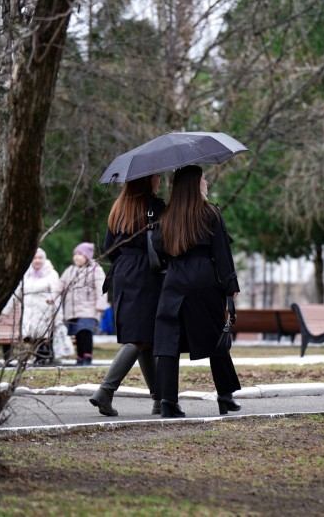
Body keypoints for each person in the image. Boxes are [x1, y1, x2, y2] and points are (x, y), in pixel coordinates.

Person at [152, 165, 241, 418]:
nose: (207, 182)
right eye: (204, 179)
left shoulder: (167, 215)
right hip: (204, 280)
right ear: (194, 184)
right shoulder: (210, 212)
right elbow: (222, 252)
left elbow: (158, 247)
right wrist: (230, 284)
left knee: (168, 340)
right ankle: (225, 396)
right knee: (215, 336)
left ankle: (168, 401)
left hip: (175, 279)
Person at [89, 175, 165, 416]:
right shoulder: (155, 206)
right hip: (146, 273)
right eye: (157, 178)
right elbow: (164, 242)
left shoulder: (118, 208)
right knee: (139, 337)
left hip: (122, 271)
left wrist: (125, 261)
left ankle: (159, 399)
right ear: (146, 182)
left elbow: (108, 247)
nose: (160, 182)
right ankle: (106, 390)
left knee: (146, 338)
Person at [58, 242, 108, 366]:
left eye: (80, 254)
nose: (76, 257)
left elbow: (101, 288)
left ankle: (87, 356)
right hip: (73, 309)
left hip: (89, 308)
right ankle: (80, 356)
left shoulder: (95, 270)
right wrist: (52, 297)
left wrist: (101, 305)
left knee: (84, 331)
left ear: (87, 256)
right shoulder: (70, 271)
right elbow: (60, 285)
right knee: (77, 334)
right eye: (75, 254)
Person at [18, 248, 60, 366]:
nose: (37, 260)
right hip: (28, 309)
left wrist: (54, 304)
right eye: (35, 258)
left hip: (44, 308)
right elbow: (18, 291)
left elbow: (56, 292)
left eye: (40, 258)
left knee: (42, 335)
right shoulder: (26, 273)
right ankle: (40, 356)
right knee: (30, 335)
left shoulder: (51, 273)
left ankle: (42, 357)